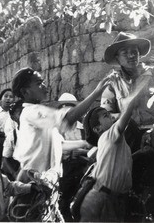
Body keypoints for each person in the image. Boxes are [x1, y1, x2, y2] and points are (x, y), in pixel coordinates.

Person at [11, 67, 110, 182]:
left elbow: (59, 144)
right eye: (39, 83)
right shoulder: (31, 112)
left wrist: (84, 143)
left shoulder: (39, 115)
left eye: (43, 81)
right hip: (32, 180)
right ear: (25, 92)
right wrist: (96, 92)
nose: (44, 85)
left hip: (45, 180)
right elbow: (67, 119)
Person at [79, 78, 146, 222]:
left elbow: (120, 164)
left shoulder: (112, 141)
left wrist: (141, 153)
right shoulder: (109, 135)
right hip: (103, 199)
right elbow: (128, 111)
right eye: (105, 116)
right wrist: (141, 82)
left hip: (109, 198)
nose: (111, 116)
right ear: (97, 129)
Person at [58, 93, 91, 221]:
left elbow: (92, 148)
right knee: (64, 202)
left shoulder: (84, 128)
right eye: (64, 108)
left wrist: (81, 152)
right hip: (65, 171)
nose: (67, 112)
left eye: (71, 108)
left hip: (82, 170)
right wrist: (68, 153)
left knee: (81, 201)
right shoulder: (58, 130)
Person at [0, 88, 14, 167]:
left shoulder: (14, 113)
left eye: (11, 97)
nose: (8, 98)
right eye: (6, 96)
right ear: (1, 99)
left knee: (9, 162)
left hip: (10, 141)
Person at [1, 100, 23, 180]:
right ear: (13, 117)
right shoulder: (12, 135)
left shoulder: (35, 133)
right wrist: (14, 174)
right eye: (20, 113)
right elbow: (5, 158)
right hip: (18, 168)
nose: (24, 116)